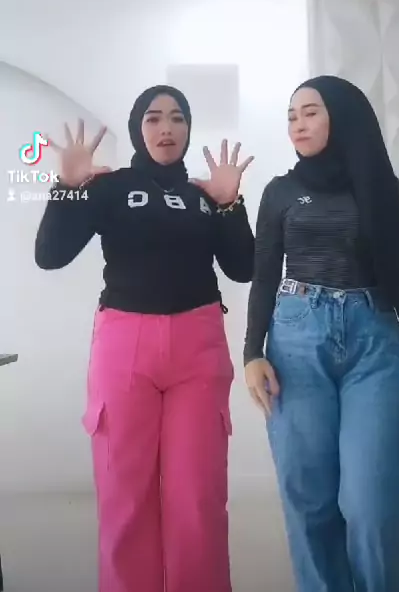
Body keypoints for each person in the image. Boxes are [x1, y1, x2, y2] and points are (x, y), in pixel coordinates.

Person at [34, 85, 255, 592]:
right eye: (154, 118)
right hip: (124, 346)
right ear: (138, 128)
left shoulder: (204, 195)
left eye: (177, 118)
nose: (166, 129)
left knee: (197, 497)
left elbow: (243, 268)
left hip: (198, 350)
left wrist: (231, 203)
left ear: (189, 128)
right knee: (125, 495)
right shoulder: (109, 187)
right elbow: (50, 254)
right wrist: (66, 187)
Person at [244, 76, 399, 592]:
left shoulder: (382, 188)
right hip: (295, 342)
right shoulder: (280, 192)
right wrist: (252, 352)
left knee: (373, 503)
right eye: (291, 116)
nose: (298, 124)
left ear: (343, 116)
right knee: (309, 498)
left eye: (310, 112)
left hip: (373, 342)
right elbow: (264, 275)